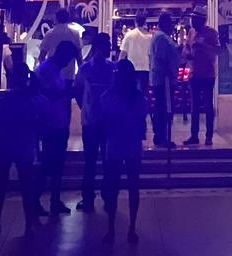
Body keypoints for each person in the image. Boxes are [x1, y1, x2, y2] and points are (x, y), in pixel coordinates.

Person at [0, 61, 41, 239]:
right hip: (23, 145)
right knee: (26, 185)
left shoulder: (3, 100)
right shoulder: (31, 100)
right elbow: (37, 123)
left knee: (1, 186)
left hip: (6, 145)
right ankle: (28, 224)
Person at [100, 59, 149, 243]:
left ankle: (111, 228)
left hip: (114, 143)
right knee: (133, 186)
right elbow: (141, 119)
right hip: (132, 144)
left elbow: (105, 118)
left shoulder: (108, 96)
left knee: (113, 187)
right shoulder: (139, 97)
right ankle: (132, 227)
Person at [33, 40, 79, 216]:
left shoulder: (54, 70)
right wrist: (66, 93)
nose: (69, 63)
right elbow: (44, 94)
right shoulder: (46, 70)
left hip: (58, 122)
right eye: (69, 58)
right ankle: (36, 200)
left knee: (56, 163)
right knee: (48, 163)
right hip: (50, 123)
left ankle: (53, 199)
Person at [74, 35, 115, 211]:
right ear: (99, 47)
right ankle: (101, 196)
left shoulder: (88, 69)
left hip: (96, 120)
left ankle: (92, 198)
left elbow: (77, 90)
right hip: (98, 120)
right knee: (100, 161)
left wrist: (85, 107)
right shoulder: (111, 69)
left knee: (94, 161)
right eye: (107, 45)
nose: (110, 48)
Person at [184, 11, 221, 145]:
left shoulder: (211, 33)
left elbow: (218, 51)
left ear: (201, 20)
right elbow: (186, 48)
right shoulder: (191, 32)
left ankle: (209, 136)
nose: (192, 21)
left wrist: (203, 45)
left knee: (207, 105)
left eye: (195, 19)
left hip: (207, 74)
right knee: (194, 106)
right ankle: (194, 135)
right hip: (194, 73)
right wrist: (187, 53)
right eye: (192, 19)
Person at [148, 14, 179, 148]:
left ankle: (161, 135)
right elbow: (161, 58)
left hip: (165, 79)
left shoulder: (162, 37)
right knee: (163, 109)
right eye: (170, 23)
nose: (172, 26)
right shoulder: (161, 38)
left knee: (162, 108)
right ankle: (161, 136)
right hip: (163, 81)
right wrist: (169, 71)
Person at [39, 8, 84, 76]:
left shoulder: (50, 34)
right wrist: (80, 75)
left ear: (56, 18)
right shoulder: (75, 34)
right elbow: (79, 57)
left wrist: (44, 73)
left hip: (53, 74)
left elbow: (42, 56)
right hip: (69, 73)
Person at [119, 15, 153, 83]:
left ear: (135, 22)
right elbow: (150, 56)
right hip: (145, 70)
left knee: (131, 89)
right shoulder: (150, 37)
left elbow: (123, 54)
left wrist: (119, 69)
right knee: (143, 89)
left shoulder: (129, 35)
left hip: (131, 69)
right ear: (145, 22)